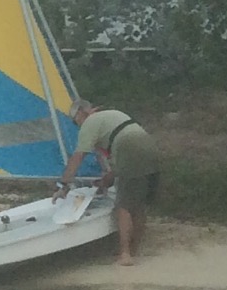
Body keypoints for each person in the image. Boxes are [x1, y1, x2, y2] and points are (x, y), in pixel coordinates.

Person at [64, 100, 158, 265]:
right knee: (138, 203)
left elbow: (79, 156)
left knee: (123, 206)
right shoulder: (112, 116)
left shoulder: (90, 122)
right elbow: (121, 164)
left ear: (80, 113)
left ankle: (125, 254)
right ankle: (135, 249)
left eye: (74, 120)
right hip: (149, 145)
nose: (76, 125)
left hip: (128, 145)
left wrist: (63, 185)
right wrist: (107, 180)